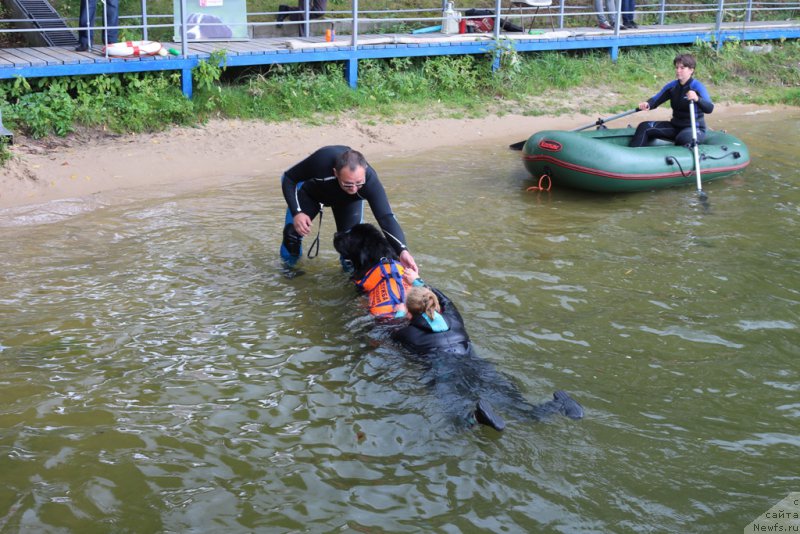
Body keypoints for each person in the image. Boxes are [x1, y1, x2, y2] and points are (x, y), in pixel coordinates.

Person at [391, 269, 584, 432]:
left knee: (455, 420)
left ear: (411, 312)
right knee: (522, 409)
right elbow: (446, 301)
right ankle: (559, 405)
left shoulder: (408, 333)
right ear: (435, 304)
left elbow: (389, 330)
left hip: (445, 370)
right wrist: (417, 281)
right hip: (475, 364)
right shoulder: (454, 319)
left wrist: (400, 312)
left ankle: (476, 418)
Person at [280, 145, 418, 272]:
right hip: (310, 193)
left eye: (359, 183)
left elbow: (386, 217)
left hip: (347, 203)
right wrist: (297, 212)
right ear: (335, 172)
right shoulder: (322, 160)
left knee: (352, 248)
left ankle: (349, 281)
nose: (353, 188)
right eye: (348, 184)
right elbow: (288, 179)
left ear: (364, 172)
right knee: (292, 234)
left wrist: (402, 251)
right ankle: (290, 270)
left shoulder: (370, 181)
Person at [629, 53, 714, 148]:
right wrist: (647, 104)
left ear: (691, 70)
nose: (678, 71)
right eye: (677, 67)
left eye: (682, 68)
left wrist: (697, 99)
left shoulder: (697, 86)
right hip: (675, 127)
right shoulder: (672, 86)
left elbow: (710, 108)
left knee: (684, 138)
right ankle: (634, 155)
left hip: (694, 129)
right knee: (644, 126)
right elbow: (656, 99)